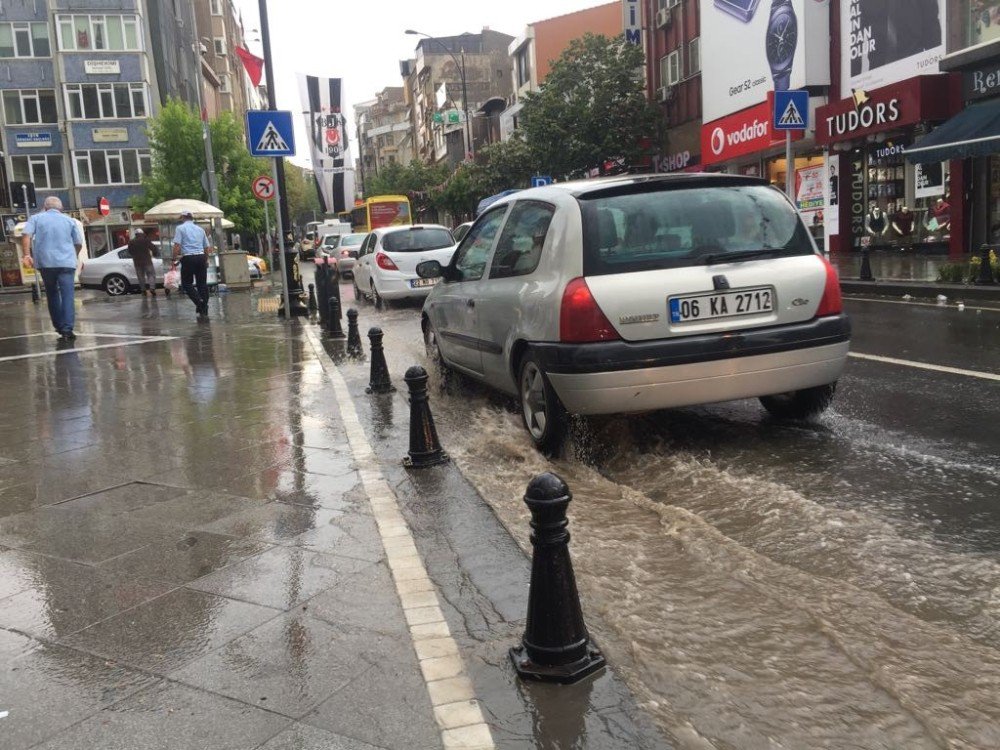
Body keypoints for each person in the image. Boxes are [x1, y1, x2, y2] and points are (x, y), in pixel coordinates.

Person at [21, 196, 83, 340]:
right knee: (68, 295)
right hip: (67, 263)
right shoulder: (69, 220)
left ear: (45, 206)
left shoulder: (36, 218)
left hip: (46, 262)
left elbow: (26, 235)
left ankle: (59, 327)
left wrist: (26, 255)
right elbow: (78, 242)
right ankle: (68, 329)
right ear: (60, 208)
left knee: (52, 294)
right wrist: (73, 255)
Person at [171, 210, 212, 317]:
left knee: (187, 283)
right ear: (192, 218)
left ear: (183, 217)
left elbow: (177, 246)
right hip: (201, 257)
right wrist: (206, 259)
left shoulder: (180, 228)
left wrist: (174, 259)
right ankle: (204, 307)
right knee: (202, 284)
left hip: (188, 258)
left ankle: (200, 302)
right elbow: (206, 247)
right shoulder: (200, 229)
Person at [128, 228, 157, 296]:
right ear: (142, 233)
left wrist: (135, 256)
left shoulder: (131, 242)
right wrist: (155, 253)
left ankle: (143, 290)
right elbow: (153, 248)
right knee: (151, 275)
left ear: (136, 234)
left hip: (137, 262)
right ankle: (152, 288)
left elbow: (130, 251)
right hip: (147, 261)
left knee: (140, 277)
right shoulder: (146, 240)